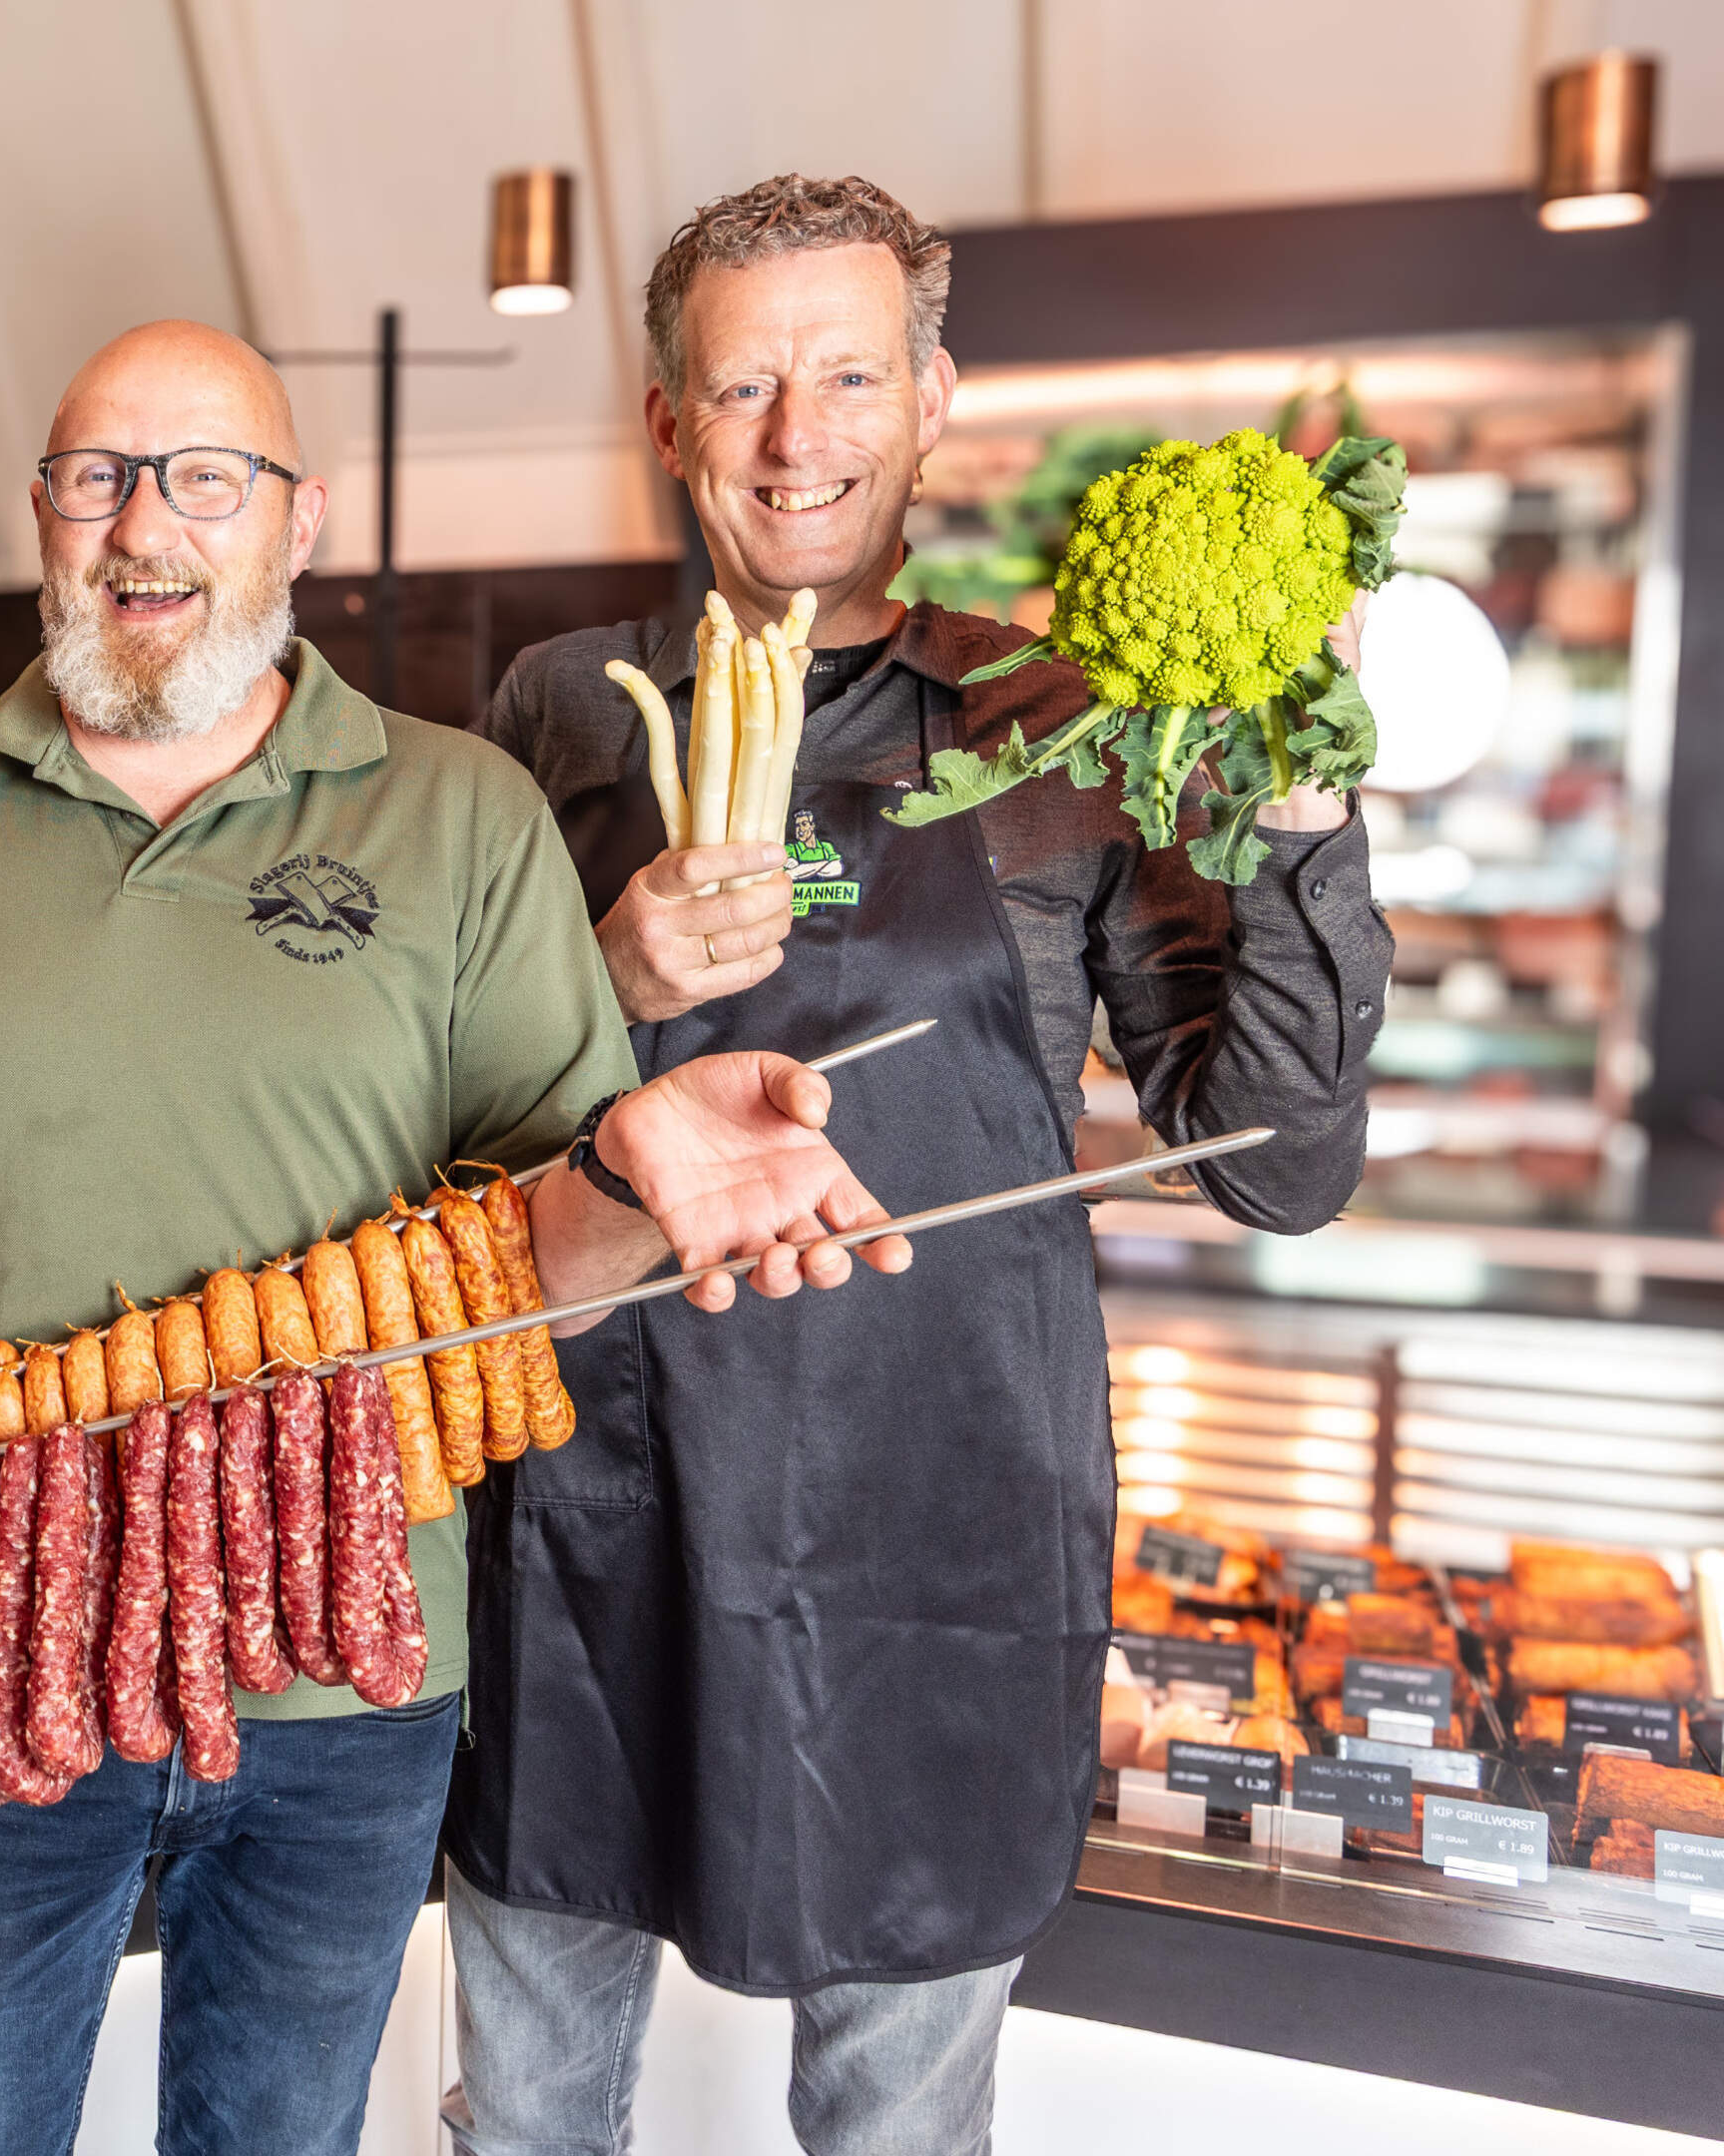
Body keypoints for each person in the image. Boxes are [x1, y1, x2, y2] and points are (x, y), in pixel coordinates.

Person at [0, 319, 907, 2156]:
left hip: (344, 1675)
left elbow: (533, 1264)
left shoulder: (461, 813)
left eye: (206, 479)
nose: (145, 525)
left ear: (299, 523)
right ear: (41, 514)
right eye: (96, 476)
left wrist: (650, 1171)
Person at [448, 175, 1391, 2154]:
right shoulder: (551, 715)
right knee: (530, 2125)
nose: (799, 439)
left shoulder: (1062, 721)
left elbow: (1274, 1164)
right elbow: (436, 1124)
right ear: (665, 419)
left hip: (936, 1535)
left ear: (934, 392)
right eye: (745, 386)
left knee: (894, 2129)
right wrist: (607, 971)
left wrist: (1300, 807)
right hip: (594, 1528)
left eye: (851, 375)